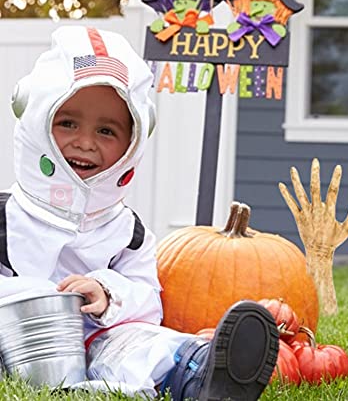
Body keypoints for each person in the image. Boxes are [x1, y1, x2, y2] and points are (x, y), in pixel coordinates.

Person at [0, 25, 279, 399]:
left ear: (132, 145)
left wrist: (107, 292)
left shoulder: (128, 231)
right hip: (17, 344)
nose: (85, 142)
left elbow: (148, 300)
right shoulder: (5, 216)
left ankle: (199, 370)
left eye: (106, 131)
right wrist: (29, 297)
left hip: (104, 337)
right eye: (67, 123)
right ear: (35, 122)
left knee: (146, 345)